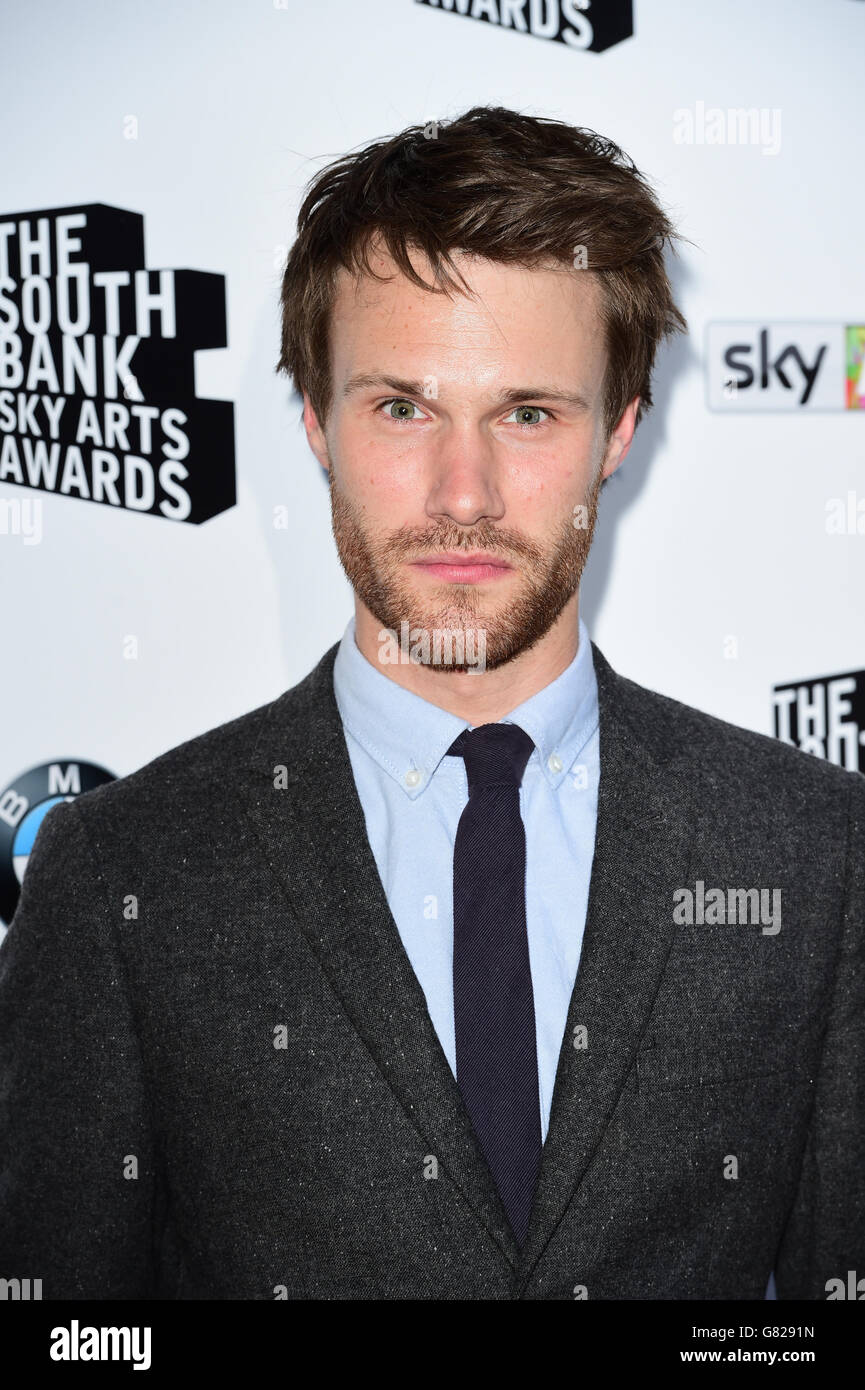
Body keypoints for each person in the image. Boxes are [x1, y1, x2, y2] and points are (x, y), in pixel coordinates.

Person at [1, 106, 862, 1301]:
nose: (464, 494)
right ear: (314, 420)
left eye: (527, 413)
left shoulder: (815, 853)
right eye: (401, 408)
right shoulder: (119, 873)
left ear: (617, 430)